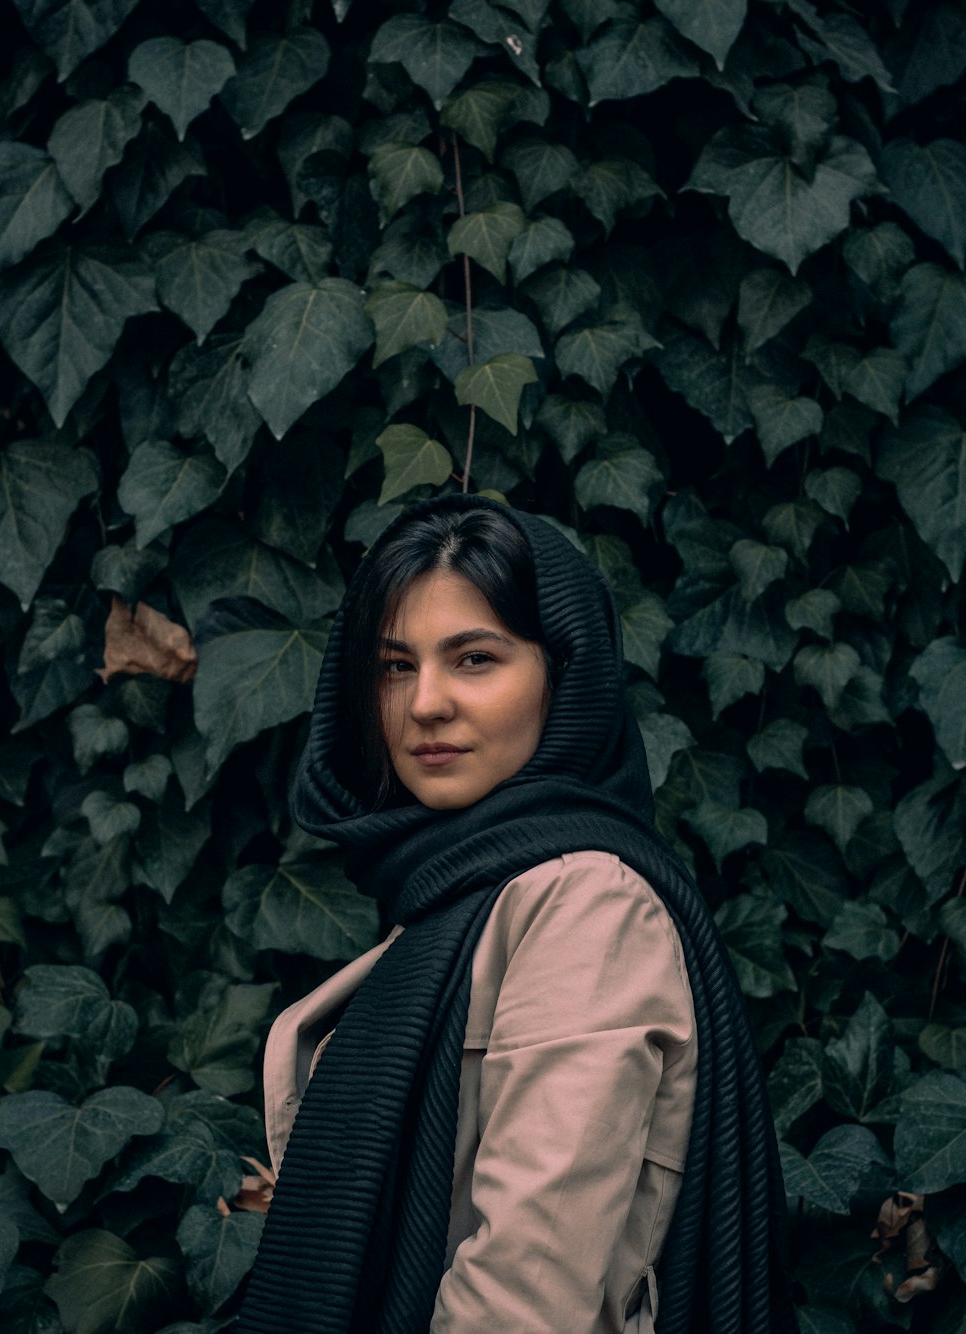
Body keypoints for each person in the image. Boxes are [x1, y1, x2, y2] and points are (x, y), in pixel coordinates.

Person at [237, 494, 796, 1334]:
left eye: (474, 659)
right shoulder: (460, 888)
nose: (424, 703)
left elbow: (522, 1297)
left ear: (562, 675)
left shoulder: (586, 904)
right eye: (395, 665)